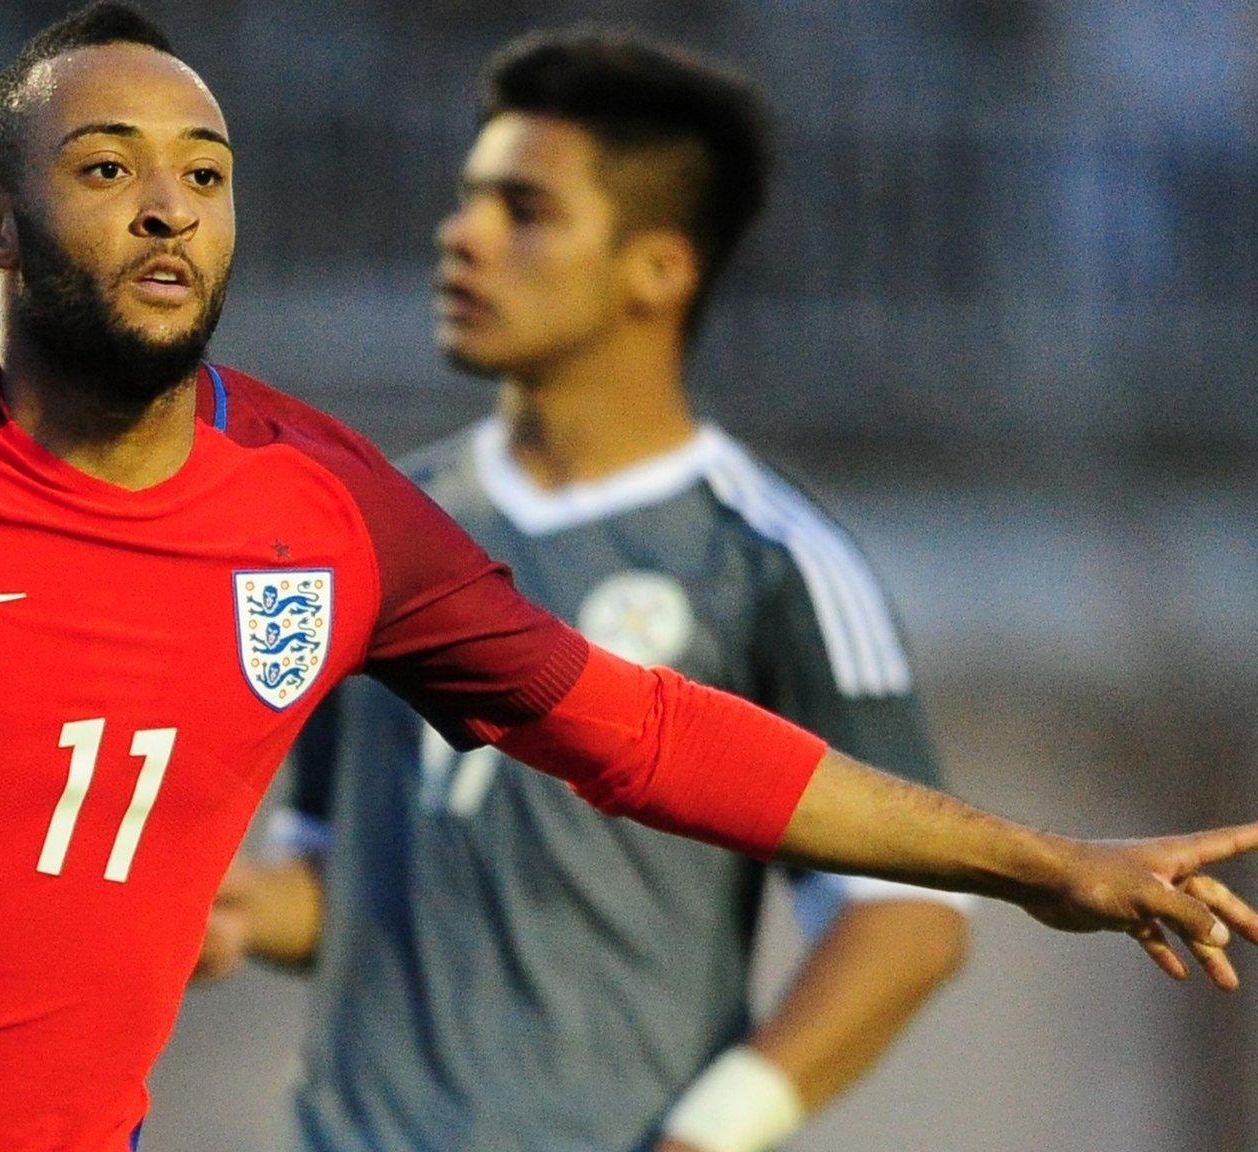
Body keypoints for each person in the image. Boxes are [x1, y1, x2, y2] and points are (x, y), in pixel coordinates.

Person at [0, 5, 1258, 1152]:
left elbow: (641, 738)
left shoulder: (320, 514)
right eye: (107, 163)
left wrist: (1030, 861)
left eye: (205, 172)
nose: (165, 205)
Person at [194, 32, 980, 1152]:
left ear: (656, 270)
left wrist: (706, 1136)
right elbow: (338, 870)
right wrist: (230, 906)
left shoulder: (765, 560)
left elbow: (907, 921)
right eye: (467, 199)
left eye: (523, 210)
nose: (459, 236)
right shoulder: (365, 524)